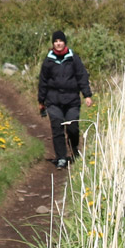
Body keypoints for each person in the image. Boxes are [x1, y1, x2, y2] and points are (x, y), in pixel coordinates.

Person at [36, 30, 92, 168]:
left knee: (72, 127)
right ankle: (61, 157)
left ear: (64, 42)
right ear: (53, 44)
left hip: (72, 100)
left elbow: (82, 76)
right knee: (57, 128)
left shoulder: (73, 58)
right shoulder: (48, 60)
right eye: (56, 41)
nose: (58, 43)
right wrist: (41, 101)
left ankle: (73, 150)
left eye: (60, 41)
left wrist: (87, 95)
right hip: (53, 101)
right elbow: (43, 81)